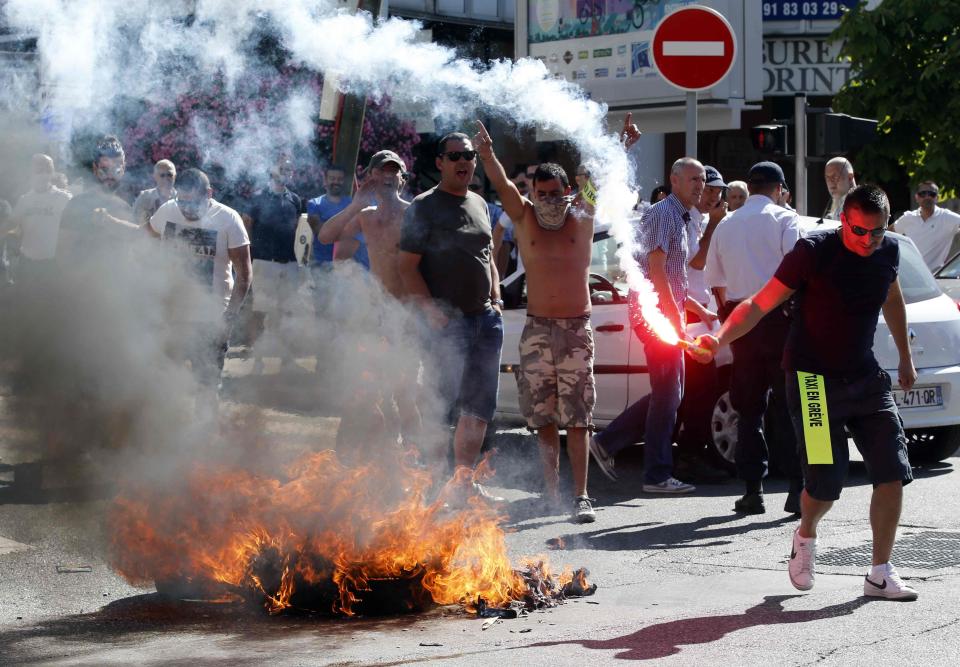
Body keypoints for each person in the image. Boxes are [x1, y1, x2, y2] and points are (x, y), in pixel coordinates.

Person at [695, 185, 919, 601]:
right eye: (860, 231)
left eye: (878, 231)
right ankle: (805, 536)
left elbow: (891, 296)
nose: (869, 241)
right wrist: (719, 338)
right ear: (844, 221)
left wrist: (905, 356)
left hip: (865, 377)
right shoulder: (813, 252)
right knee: (826, 479)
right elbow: (759, 304)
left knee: (891, 470)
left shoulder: (887, 252)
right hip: (812, 381)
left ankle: (879, 573)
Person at [476, 117, 632, 523]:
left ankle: (580, 496)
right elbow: (503, 186)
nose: (547, 200)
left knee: (578, 418)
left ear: (567, 192)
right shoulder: (524, 216)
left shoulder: (581, 215)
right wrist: (487, 155)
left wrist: (621, 144)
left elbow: (604, 178)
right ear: (532, 192)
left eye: (554, 193)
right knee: (543, 417)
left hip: (575, 329)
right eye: (540, 192)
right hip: (537, 330)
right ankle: (551, 493)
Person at [589, 157, 714, 494]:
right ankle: (656, 475)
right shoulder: (663, 213)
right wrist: (674, 320)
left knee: (669, 394)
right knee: (668, 395)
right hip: (656, 317)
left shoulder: (680, 217)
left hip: (663, 315)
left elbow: (675, 277)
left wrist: (700, 310)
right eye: (693, 179)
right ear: (674, 180)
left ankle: (606, 442)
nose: (699, 185)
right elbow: (657, 272)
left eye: (702, 179)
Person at [398, 131, 503, 500]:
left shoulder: (480, 203)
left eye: (469, 155)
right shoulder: (423, 206)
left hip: (485, 321)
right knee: (441, 407)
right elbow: (406, 266)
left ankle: (463, 484)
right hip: (447, 325)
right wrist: (429, 309)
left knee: (478, 408)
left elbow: (487, 254)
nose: (463, 161)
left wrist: (497, 296)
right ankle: (432, 485)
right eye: (454, 155)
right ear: (440, 162)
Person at [705, 162, 803, 515]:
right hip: (779, 316)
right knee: (791, 406)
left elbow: (714, 280)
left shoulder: (727, 224)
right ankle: (797, 490)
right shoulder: (785, 219)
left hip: (741, 318)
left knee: (748, 409)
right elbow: (797, 270)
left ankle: (752, 490)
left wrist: (729, 319)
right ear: (779, 189)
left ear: (750, 186)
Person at [317, 150, 424, 461]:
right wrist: (355, 203)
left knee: (405, 395)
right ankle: (368, 458)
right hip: (377, 317)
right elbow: (326, 237)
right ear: (372, 177)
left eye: (395, 172)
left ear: (404, 180)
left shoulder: (414, 214)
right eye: (382, 171)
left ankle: (414, 461)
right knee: (366, 390)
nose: (389, 177)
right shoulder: (366, 216)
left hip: (407, 316)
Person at [148, 168, 252, 414]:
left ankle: (203, 441)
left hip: (210, 319)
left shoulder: (228, 219)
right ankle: (162, 437)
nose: (186, 208)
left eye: (193, 201)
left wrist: (229, 317)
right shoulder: (168, 211)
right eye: (181, 200)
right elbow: (143, 236)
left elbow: (244, 276)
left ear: (208, 193)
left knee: (206, 386)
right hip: (170, 315)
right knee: (162, 380)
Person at [675, 165, 727, 483]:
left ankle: (693, 451)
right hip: (687, 317)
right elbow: (696, 261)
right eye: (708, 189)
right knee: (696, 390)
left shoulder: (703, 220)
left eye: (716, 191)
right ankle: (687, 455)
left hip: (703, 317)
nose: (712, 196)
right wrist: (714, 226)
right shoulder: (687, 220)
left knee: (699, 391)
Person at [245, 157, 304, 367]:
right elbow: (247, 226)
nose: (286, 172)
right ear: (272, 170)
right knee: (260, 311)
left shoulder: (295, 200)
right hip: (264, 262)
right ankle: (257, 360)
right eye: (282, 168)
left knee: (287, 312)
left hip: (289, 263)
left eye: (289, 168)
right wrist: (250, 257)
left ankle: (284, 360)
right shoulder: (258, 197)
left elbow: (298, 231)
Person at [58, 135, 138, 256]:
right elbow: (62, 254)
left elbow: (132, 249)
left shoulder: (124, 207)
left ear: (123, 169)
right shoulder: (77, 204)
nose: (110, 175)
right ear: (95, 168)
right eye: (105, 169)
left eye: (116, 169)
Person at [10, 154, 72, 283]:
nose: (43, 173)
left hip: (53, 264)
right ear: (31, 172)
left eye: (48, 169)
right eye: (39, 169)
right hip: (27, 264)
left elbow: (76, 226)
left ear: (52, 172)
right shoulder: (24, 200)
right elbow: (12, 224)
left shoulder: (64, 199)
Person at [892, 181, 960, 271]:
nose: (927, 197)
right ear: (917, 197)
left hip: (934, 277)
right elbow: (887, 234)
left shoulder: (947, 217)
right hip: (910, 274)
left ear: (937, 198)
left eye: (931, 194)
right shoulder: (908, 218)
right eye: (923, 194)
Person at [306, 165, 351, 267]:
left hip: (345, 265)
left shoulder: (351, 203)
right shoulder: (314, 204)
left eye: (340, 179)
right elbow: (322, 233)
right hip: (321, 264)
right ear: (325, 181)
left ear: (343, 181)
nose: (336, 182)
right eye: (332, 178)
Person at [133, 160, 177, 228]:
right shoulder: (144, 197)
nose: (166, 178)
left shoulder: (181, 199)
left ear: (175, 176)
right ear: (155, 177)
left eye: (169, 175)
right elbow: (135, 221)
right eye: (162, 175)